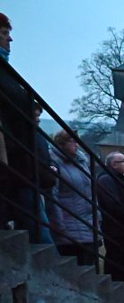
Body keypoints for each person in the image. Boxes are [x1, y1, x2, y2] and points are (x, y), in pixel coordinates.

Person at [0, 15, 56, 243]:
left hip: (23, 168)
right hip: (16, 167)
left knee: (38, 230)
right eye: (3, 34)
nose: (9, 39)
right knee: (39, 235)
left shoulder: (6, 73)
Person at [47, 129, 98, 265]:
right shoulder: (54, 163)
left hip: (87, 223)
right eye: (72, 141)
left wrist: (97, 217)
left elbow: (91, 191)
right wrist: (59, 226)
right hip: (69, 225)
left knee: (89, 268)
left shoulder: (81, 161)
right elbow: (53, 195)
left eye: (77, 141)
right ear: (61, 143)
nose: (77, 144)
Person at [95, 151, 124, 284]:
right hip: (116, 228)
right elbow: (112, 205)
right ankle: (114, 283)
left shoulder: (122, 178)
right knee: (117, 258)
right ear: (114, 164)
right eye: (123, 161)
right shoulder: (106, 179)